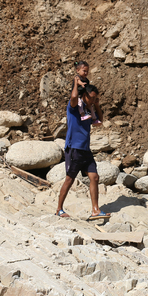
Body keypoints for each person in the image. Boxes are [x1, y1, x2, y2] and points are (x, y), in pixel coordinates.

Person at [56, 76, 108, 219]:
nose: (92, 100)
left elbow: (100, 121)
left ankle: (95, 210)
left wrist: (96, 104)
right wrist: (75, 82)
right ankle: (59, 209)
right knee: (69, 179)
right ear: (84, 95)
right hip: (74, 149)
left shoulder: (87, 111)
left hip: (85, 150)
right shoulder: (74, 108)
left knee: (95, 177)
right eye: (90, 97)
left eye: (94, 98)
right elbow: (74, 96)